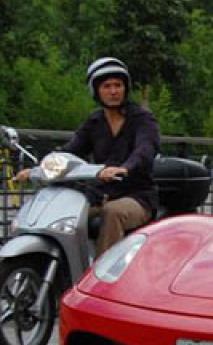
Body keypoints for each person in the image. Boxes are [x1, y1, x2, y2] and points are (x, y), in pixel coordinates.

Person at [17, 57, 160, 254]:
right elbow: (71, 150)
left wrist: (125, 168)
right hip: (99, 195)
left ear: (126, 88)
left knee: (113, 212)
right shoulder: (94, 121)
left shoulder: (142, 118)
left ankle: (102, 277)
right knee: (64, 213)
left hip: (136, 197)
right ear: (96, 91)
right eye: (106, 86)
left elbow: (145, 149)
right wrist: (39, 169)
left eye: (118, 85)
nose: (113, 91)